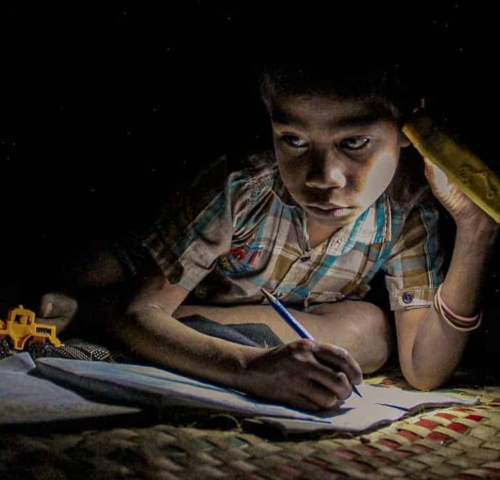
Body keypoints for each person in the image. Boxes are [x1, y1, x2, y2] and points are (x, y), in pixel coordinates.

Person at [37, 60, 498, 412]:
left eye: (354, 142)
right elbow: (142, 309)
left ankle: (115, 321)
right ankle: (102, 311)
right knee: (87, 270)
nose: (323, 177)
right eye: (294, 139)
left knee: (370, 333)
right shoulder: (242, 187)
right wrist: (250, 370)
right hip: (167, 277)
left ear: (408, 132)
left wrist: (476, 231)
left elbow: (424, 368)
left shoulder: (405, 210)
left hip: (266, 314)